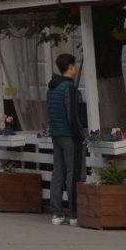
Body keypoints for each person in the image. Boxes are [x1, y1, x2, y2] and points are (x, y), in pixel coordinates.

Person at [47, 53, 85, 226]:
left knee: (58, 172)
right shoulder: (69, 87)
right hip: (70, 136)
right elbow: (72, 115)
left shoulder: (52, 88)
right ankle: (74, 214)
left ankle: (56, 213)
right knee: (73, 173)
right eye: (74, 65)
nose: (76, 68)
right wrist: (80, 135)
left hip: (56, 134)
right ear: (70, 67)